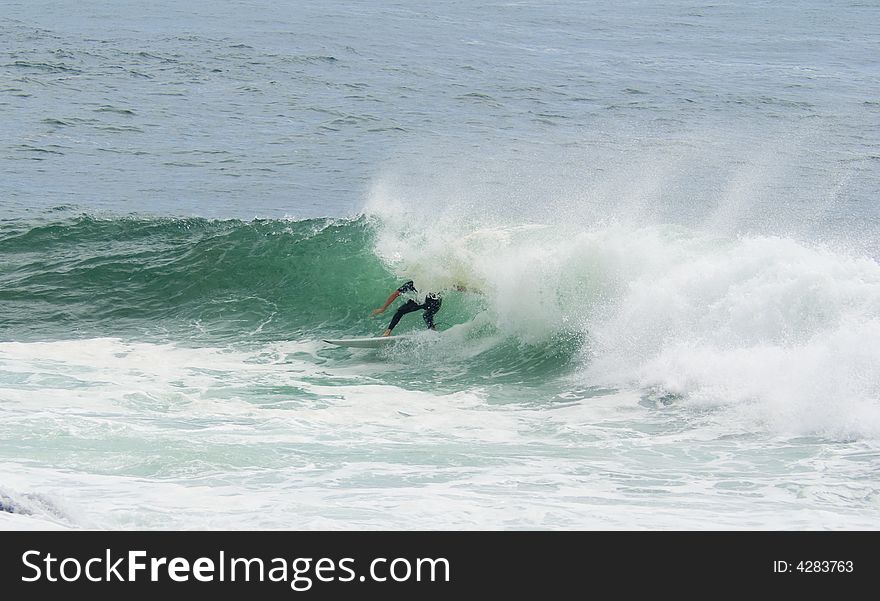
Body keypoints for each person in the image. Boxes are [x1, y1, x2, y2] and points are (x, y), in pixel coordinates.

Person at [371, 280, 466, 336]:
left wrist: (383, 309)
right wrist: (382, 308)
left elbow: (452, 286)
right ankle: (388, 332)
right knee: (404, 311)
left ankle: (388, 332)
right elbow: (395, 294)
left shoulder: (432, 282)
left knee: (426, 314)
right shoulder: (411, 284)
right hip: (426, 301)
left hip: (433, 302)